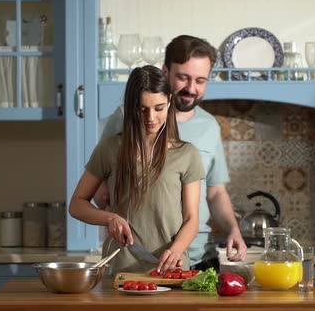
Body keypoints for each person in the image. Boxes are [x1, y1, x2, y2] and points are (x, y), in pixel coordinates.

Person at [100, 35, 247, 271]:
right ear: (165, 71)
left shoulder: (209, 126)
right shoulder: (124, 118)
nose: (191, 88)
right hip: (138, 258)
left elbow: (216, 191)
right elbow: (101, 186)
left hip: (198, 256)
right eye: (183, 78)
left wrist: (233, 230)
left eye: (201, 80)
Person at [69, 65, 204, 275]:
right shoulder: (110, 148)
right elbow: (76, 205)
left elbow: (191, 219)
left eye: (158, 108)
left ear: (169, 101)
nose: (150, 117)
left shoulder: (187, 154)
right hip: (120, 271)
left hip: (171, 272)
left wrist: (176, 250)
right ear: (130, 107)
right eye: (142, 109)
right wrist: (109, 218)